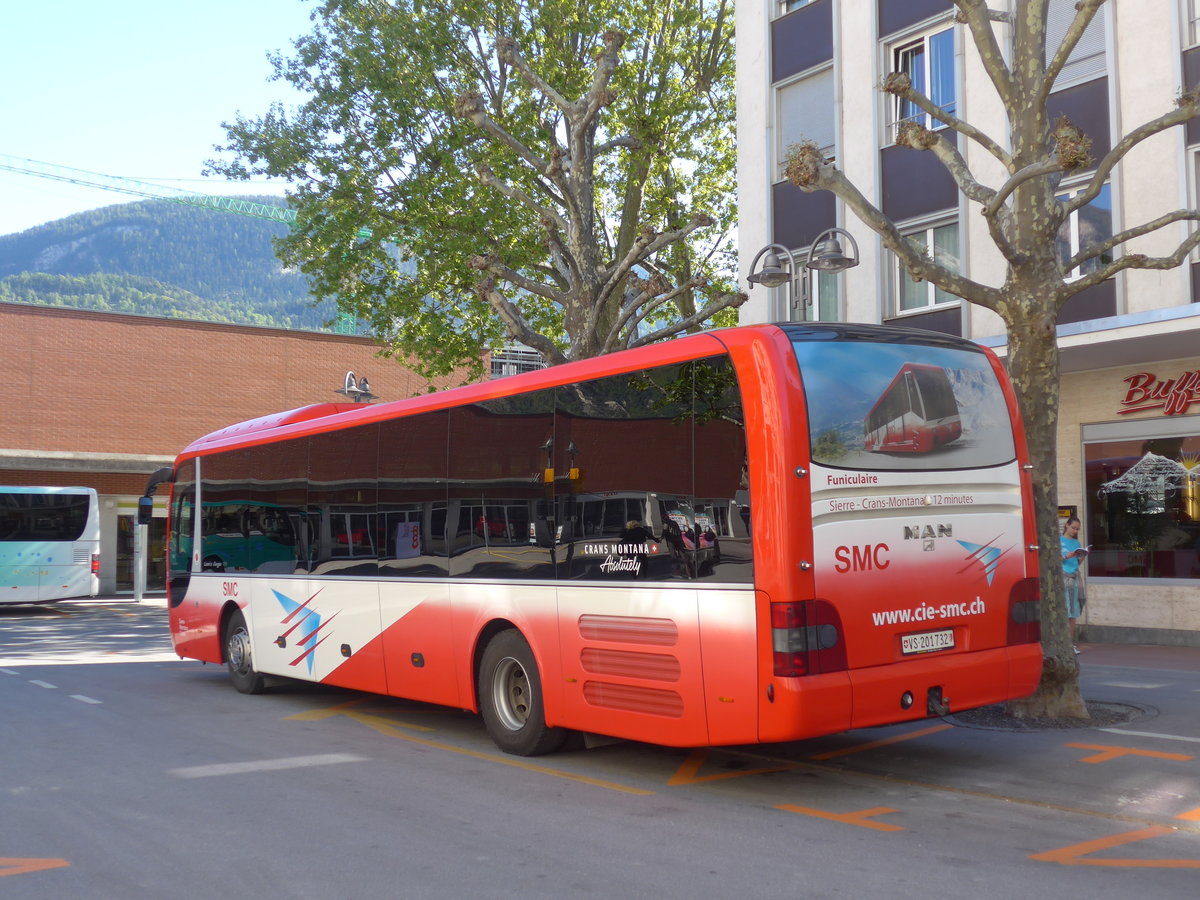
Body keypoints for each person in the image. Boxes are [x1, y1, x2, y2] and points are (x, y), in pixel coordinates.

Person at [1060, 515, 1087, 654]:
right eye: (1073, 528)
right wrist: (1066, 556)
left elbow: (1077, 562)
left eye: (1077, 529)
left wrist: (1081, 557)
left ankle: (1070, 643)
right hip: (1063, 578)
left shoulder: (1077, 544)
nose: (1075, 531)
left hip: (1074, 577)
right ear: (1066, 525)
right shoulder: (1058, 541)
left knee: (1074, 613)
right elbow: (1053, 559)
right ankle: (1063, 643)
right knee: (1066, 611)